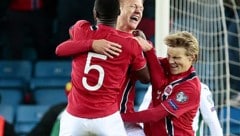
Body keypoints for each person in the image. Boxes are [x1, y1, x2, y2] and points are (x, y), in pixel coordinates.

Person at [55, 0, 150, 135]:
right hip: (107, 117)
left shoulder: (82, 30)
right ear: (119, 11)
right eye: (133, 6)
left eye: (141, 7)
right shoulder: (132, 45)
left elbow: (60, 49)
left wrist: (91, 43)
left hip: (110, 116)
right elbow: (146, 78)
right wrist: (149, 51)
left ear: (95, 13)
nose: (138, 11)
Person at [121, 31, 201, 136]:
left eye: (176, 58)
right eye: (169, 56)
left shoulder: (190, 88)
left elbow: (156, 114)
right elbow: (148, 62)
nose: (171, 61)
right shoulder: (167, 65)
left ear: (192, 58)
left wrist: (120, 117)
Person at [138, 82, 223, 136]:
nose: (173, 62)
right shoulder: (155, 86)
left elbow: (213, 123)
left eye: (177, 58)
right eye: (171, 57)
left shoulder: (200, 89)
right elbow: (142, 118)